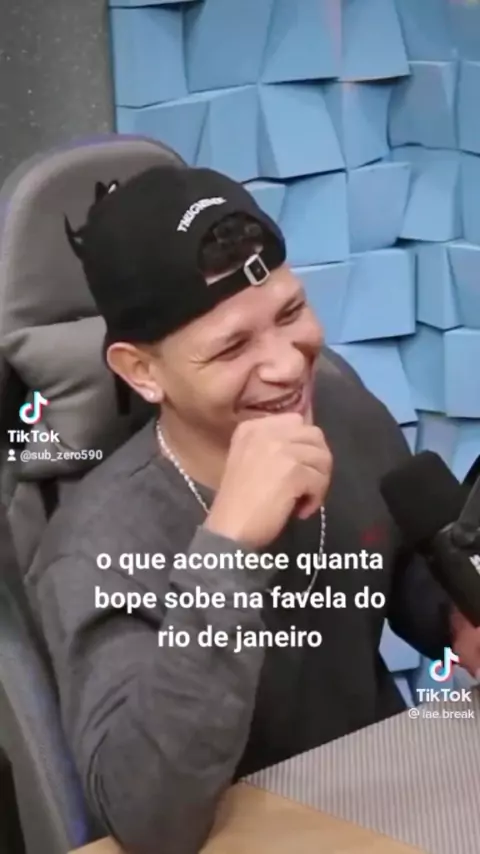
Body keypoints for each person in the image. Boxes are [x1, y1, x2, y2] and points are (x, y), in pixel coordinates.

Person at [26, 166, 480, 854]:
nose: (288, 365)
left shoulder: (342, 410)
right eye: (233, 346)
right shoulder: (92, 548)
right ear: (142, 371)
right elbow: (149, 817)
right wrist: (228, 549)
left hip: (382, 797)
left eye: (291, 314)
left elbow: (395, 566)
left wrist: (454, 618)